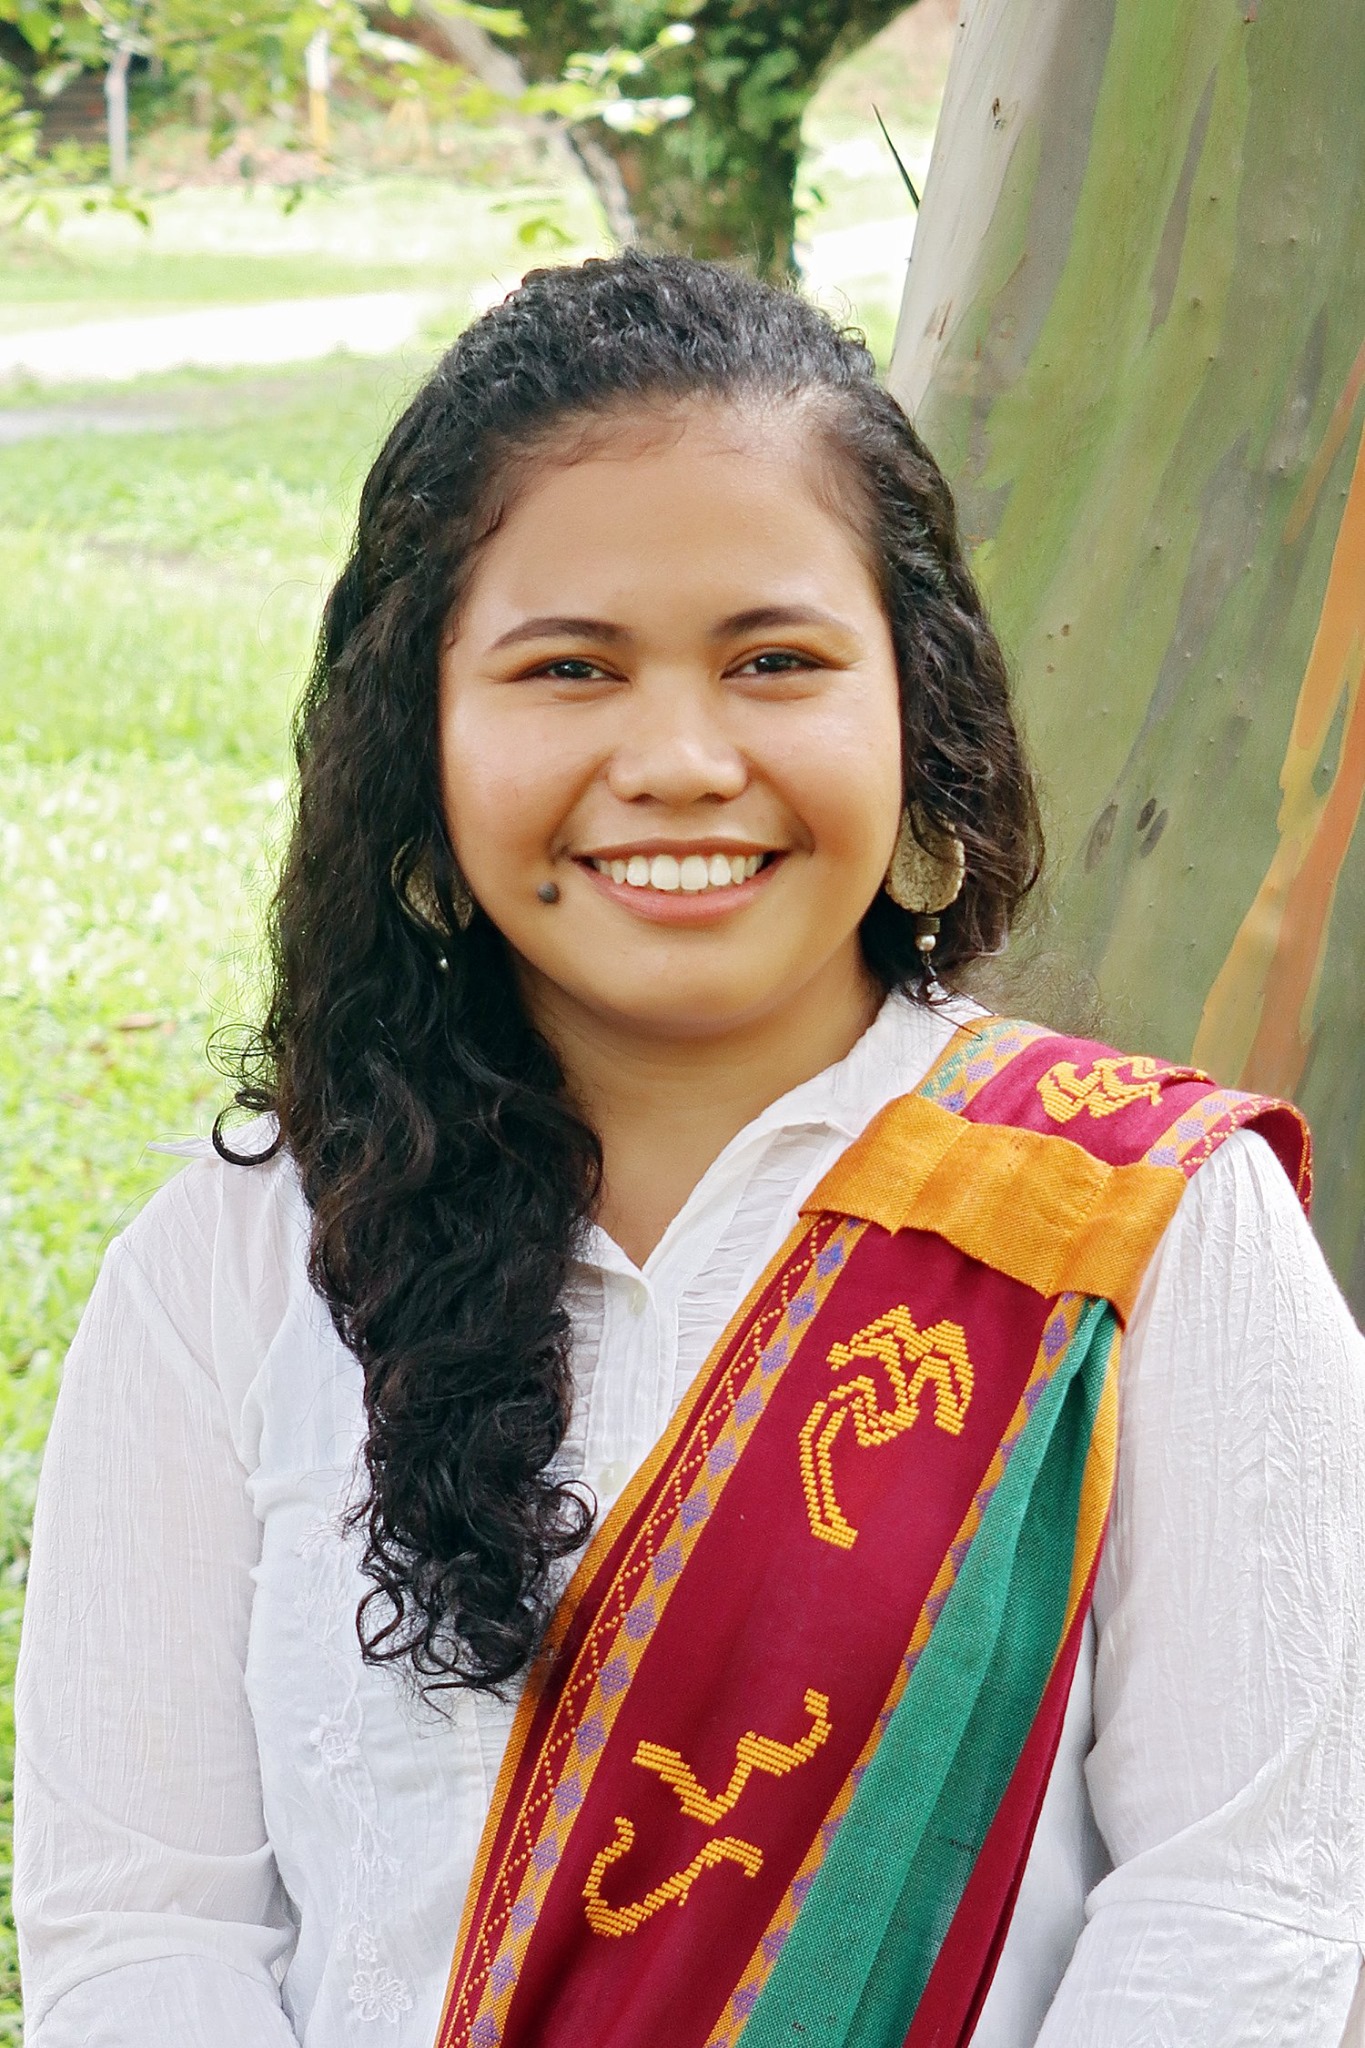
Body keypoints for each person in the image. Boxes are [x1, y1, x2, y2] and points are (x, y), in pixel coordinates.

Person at [13, 253, 1365, 2048]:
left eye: (774, 662)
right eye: (568, 668)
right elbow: (141, 1928)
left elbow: (1248, 1904)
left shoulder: (1147, 1227)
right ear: (420, 735)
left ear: (918, 712)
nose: (677, 759)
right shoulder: (238, 1259)